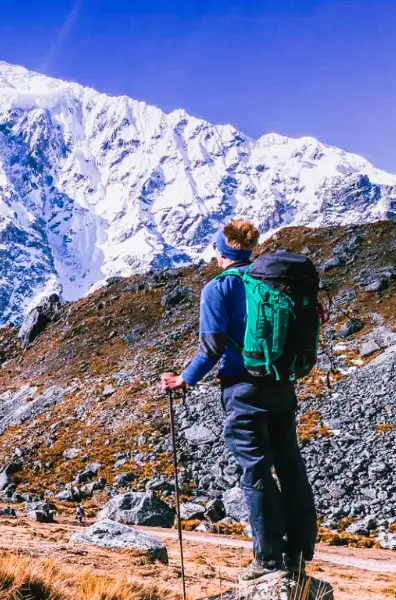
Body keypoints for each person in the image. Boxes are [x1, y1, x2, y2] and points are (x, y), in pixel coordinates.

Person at [159, 219, 318, 581]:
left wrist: (185, 378)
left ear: (223, 249)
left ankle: (268, 561)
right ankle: (297, 554)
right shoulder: (271, 283)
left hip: (243, 390)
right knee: (289, 465)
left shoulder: (219, 288)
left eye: (214, 247)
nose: (212, 253)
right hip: (281, 385)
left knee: (257, 470)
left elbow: (213, 346)